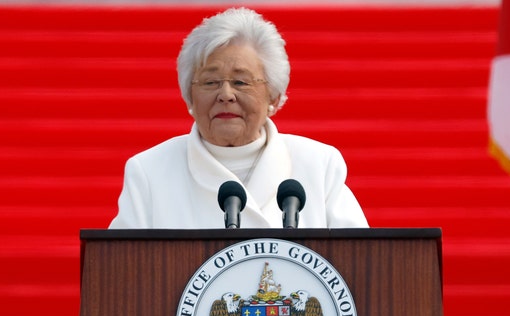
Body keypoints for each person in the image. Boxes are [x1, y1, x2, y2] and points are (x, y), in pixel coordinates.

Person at [108, 7, 368, 229]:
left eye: (241, 81)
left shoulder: (319, 166)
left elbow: (361, 263)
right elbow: (121, 274)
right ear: (189, 96)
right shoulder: (149, 172)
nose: (225, 95)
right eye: (210, 82)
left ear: (274, 97)